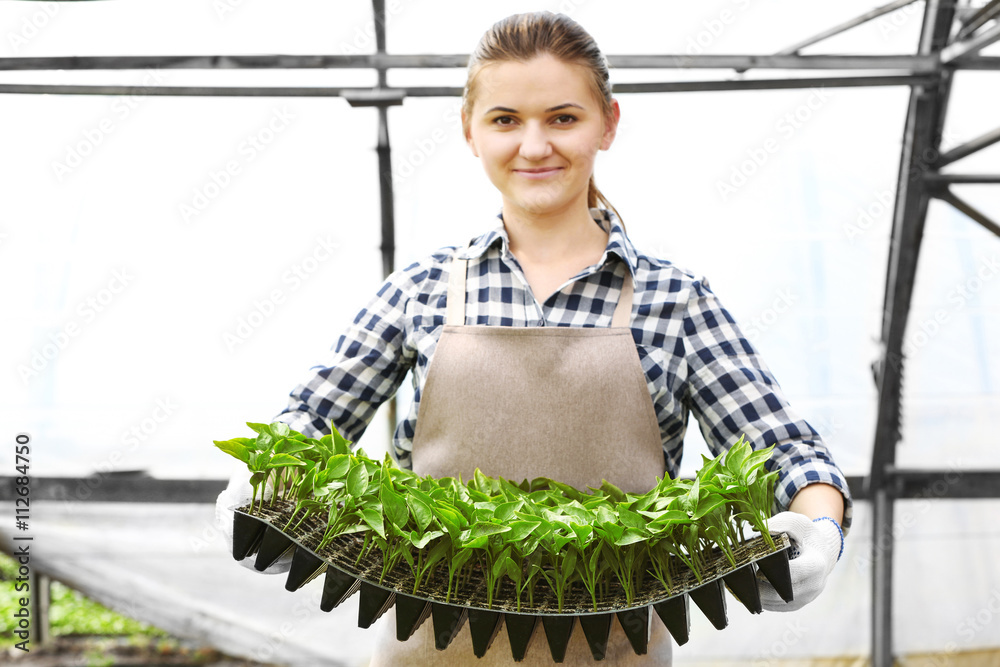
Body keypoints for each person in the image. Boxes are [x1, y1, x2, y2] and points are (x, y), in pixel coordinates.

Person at [216, 11, 852, 666]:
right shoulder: (423, 289)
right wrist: (260, 485)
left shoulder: (674, 300)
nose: (534, 144)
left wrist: (818, 527)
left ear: (608, 122)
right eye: (505, 120)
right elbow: (312, 421)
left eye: (563, 118)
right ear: (470, 130)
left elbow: (787, 452)